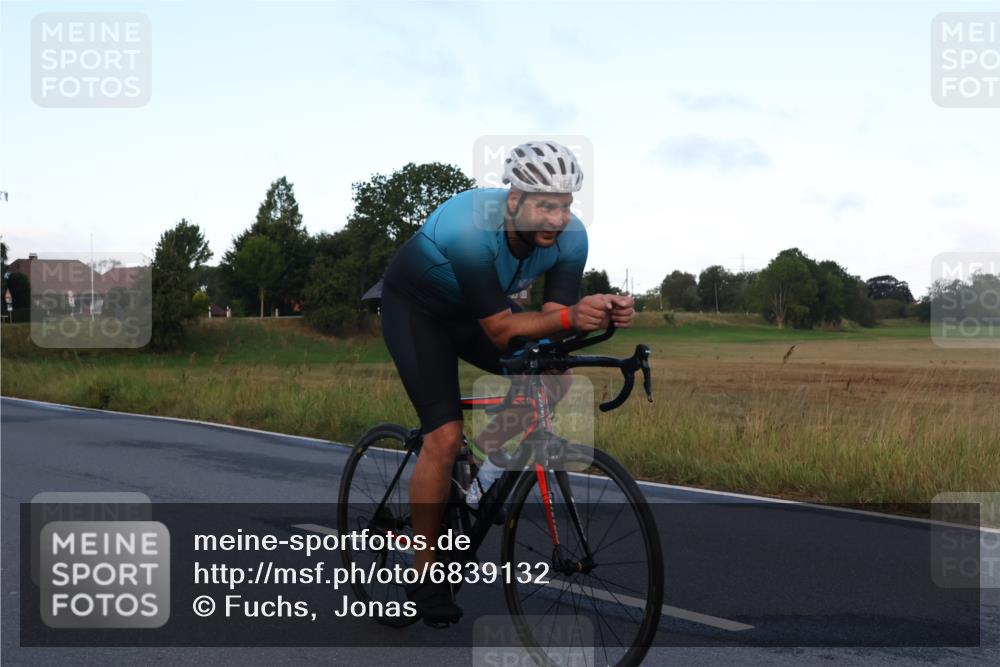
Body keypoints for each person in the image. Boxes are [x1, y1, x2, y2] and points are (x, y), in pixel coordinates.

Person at [380, 140, 635, 625]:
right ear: (514, 200)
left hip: (482, 309)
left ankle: (487, 477)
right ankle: (424, 575)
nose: (555, 219)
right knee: (445, 436)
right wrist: (569, 316)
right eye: (544, 205)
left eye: (563, 206)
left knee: (555, 370)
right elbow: (499, 329)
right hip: (419, 311)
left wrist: (602, 311)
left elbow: (552, 319)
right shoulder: (470, 228)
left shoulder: (572, 239)